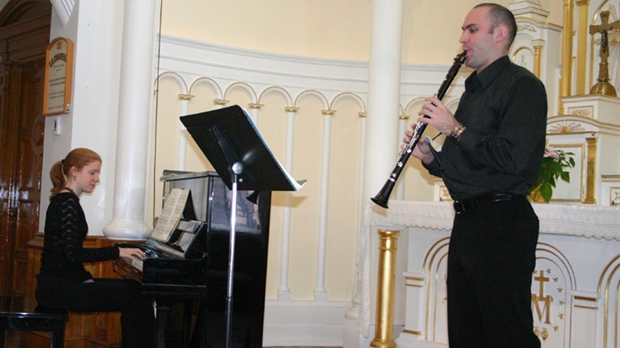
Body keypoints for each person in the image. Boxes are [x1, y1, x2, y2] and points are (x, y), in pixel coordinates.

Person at [406, 3, 547, 348]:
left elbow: (515, 160)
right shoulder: (473, 90)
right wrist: (430, 159)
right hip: (469, 222)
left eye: (471, 30)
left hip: (503, 223)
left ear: (499, 34)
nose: (462, 38)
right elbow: (469, 164)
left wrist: (453, 127)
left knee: (506, 333)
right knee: (466, 331)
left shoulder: (523, 87)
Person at [35, 148, 155, 348]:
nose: (97, 179)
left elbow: (64, 255)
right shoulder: (67, 203)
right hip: (60, 289)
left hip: (58, 284)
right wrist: (117, 251)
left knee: (135, 290)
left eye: (97, 173)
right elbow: (73, 254)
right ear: (74, 171)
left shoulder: (64, 200)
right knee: (138, 295)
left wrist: (84, 277)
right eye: (92, 172)